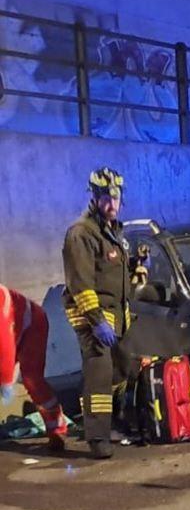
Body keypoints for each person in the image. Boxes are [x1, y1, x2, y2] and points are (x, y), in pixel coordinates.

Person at [62, 167, 136, 459]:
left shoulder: (112, 232)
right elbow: (80, 284)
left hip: (117, 317)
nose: (112, 203)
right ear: (94, 197)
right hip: (93, 318)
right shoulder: (81, 233)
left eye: (116, 197)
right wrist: (96, 322)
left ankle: (112, 424)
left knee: (122, 369)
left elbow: (114, 275)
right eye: (106, 197)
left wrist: (137, 268)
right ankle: (97, 437)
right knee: (99, 375)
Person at [0, 284, 67, 451]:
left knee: (33, 380)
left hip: (32, 325)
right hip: (13, 328)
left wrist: (6, 380)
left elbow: (4, 343)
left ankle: (56, 428)